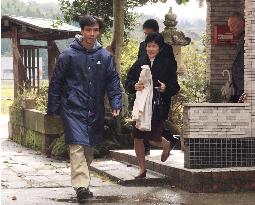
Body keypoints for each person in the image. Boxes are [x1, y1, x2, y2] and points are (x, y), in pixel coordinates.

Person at [47, 15, 122, 203]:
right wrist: (53, 108)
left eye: (95, 30)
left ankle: (84, 183)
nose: (92, 34)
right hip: (72, 108)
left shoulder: (104, 56)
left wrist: (116, 103)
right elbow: (56, 83)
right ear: (81, 31)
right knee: (77, 145)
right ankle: (81, 186)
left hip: (94, 108)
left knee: (88, 147)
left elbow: (113, 81)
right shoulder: (68, 55)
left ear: (99, 32)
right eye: (88, 30)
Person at [125, 32, 180, 178]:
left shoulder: (167, 64)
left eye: (154, 46)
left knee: (152, 138)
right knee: (137, 137)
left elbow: (176, 86)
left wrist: (165, 87)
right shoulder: (140, 62)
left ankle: (166, 144)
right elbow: (128, 81)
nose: (150, 49)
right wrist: (134, 85)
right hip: (141, 105)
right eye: (148, 46)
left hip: (157, 106)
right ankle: (142, 170)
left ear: (159, 48)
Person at [137, 19, 177, 155]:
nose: (150, 49)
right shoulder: (143, 46)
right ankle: (146, 149)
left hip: (160, 94)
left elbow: (172, 71)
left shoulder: (167, 49)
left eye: (149, 33)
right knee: (142, 125)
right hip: (144, 94)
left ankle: (168, 140)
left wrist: (164, 86)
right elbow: (138, 68)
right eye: (145, 34)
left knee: (156, 123)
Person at [227, 12, 245, 103]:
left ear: (241, 24)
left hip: (244, 90)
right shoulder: (241, 39)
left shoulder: (246, 39)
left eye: (232, 26)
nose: (230, 29)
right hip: (239, 91)